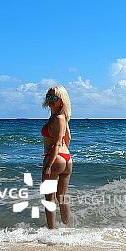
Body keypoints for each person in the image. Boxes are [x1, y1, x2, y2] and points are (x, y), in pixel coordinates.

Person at [41, 85, 72, 228]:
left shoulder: (58, 118)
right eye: (49, 97)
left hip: (55, 158)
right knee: (62, 197)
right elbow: (69, 138)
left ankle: (51, 232)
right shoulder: (63, 117)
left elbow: (57, 143)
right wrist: (62, 157)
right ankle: (67, 227)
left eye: (55, 98)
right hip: (66, 159)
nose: (51, 100)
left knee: (50, 198)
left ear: (62, 100)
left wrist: (48, 165)